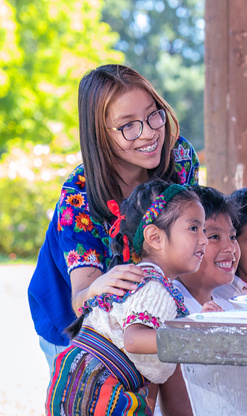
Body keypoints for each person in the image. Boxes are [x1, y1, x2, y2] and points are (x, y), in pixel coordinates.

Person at [15, 180, 207, 416]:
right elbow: (134, 340)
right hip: (100, 389)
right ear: (154, 236)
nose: (203, 239)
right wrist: (192, 337)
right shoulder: (155, 288)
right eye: (194, 228)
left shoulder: (132, 279)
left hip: (75, 379)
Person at [27, 64, 199, 370]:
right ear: (100, 136)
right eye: (128, 126)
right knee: (85, 406)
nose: (149, 133)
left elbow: (192, 230)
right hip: (71, 321)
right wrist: (98, 286)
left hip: (137, 310)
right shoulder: (79, 198)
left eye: (152, 114)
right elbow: (81, 297)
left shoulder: (179, 159)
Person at [152, 185, 240, 416]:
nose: (229, 247)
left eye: (233, 236)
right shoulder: (170, 305)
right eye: (213, 235)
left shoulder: (227, 302)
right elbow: (175, 408)